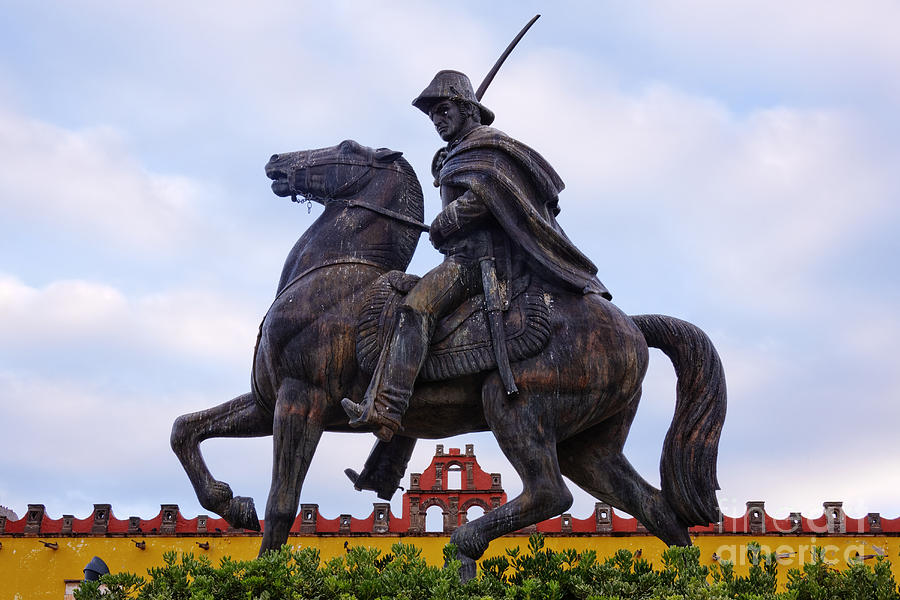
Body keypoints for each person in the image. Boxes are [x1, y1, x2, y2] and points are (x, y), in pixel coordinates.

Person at [342, 70, 610, 442]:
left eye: (444, 109)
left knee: (415, 309)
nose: (437, 119)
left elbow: (486, 195)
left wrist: (445, 222)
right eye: (432, 114)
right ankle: (388, 464)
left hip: (477, 263)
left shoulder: (488, 146)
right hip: (464, 258)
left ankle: (386, 407)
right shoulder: (464, 151)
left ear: (468, 108)